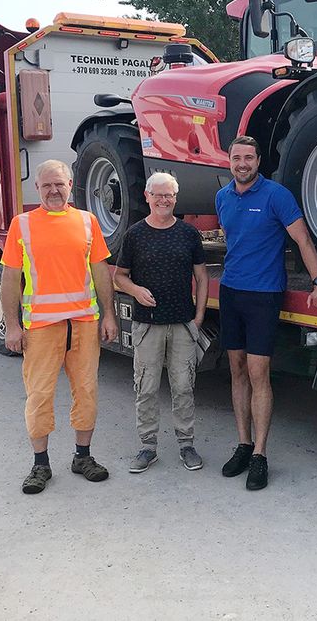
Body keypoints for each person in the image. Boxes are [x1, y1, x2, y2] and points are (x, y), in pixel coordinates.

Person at [215, 136, 317, 490]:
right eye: (237, 158)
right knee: (236, 370)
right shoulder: (222, 197)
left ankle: (260, 455)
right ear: (230, 161)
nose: (242, 163)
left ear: (258, 160)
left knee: (258, 373)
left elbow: (303, 240)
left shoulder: (276, 195)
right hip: (230, 291)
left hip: (264, 294)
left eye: (249, 157)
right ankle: (243, 444)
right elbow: (231, 239)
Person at [0, 159, 119, 495]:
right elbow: (10, 278)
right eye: (47, 185)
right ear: (37, 188)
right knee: (39, 395)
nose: (54, 190)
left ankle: (83, 456)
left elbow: (100, 271)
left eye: (59, 184)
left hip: (83, 323)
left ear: (70, 185)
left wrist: (109, 315)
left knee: (86, 391)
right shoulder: (22, 225)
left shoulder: (87, 221)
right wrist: (12, 326)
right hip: (41, 327)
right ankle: (41, 464)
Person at [114, 172, 209, 474]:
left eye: (169, 195)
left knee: (184, 387)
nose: (163, 200)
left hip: (182, 324)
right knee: (146, 388)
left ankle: (186, 445)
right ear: (147, 197)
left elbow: (202, 277)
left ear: (176, 198)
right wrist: (136, 291)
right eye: (158, 194)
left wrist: (199, 317)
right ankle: (148, 447)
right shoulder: (135, 235)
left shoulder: (188, 234)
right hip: (147, 326)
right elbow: (119, 276)